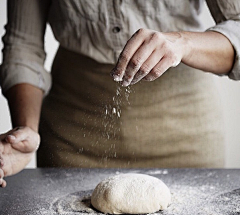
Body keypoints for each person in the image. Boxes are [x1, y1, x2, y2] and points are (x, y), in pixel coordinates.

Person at [0, 0, 240, 188]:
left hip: (185, 132)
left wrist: (183, 43)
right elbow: (23, 46)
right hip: (72, 137)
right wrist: (27, 129)